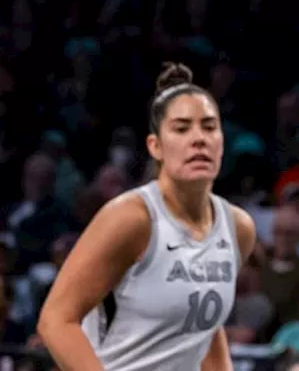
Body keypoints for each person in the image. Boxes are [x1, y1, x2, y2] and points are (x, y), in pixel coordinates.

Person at [36, 63, 256, 370]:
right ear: (156, 146)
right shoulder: (132, 218)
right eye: (181, 128)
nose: (199, 139)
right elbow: (56, 321)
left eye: (209, 127)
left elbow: (203, 331)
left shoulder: (238, 228)